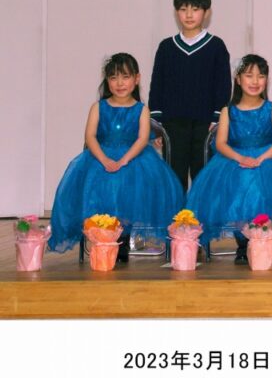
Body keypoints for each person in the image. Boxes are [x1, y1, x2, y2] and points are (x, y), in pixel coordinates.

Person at [185, 55, 272, 264]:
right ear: (238, 79)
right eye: (249, 75)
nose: (255, 81)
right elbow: (221, 143)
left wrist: (261, 159)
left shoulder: (271, 108)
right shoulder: (228, 111)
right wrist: (241, 158)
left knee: (259, 187)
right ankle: (243, 243)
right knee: (239, 185)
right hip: (235, 159)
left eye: (261, 76)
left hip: (268, 159)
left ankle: (261, 238)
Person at [49, 53, 185, 257]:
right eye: (113, 78)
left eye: (125, 77)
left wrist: (124, 160)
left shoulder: (141, 109)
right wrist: (104, 159)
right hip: (101, 158)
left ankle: (123, 238)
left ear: (136, 79)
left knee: (129, 186)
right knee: (104, 186)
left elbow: (142, 139)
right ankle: (104, 235)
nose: (120, 83)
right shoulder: (98, 107)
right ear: (107, 81)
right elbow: (90, 136)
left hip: (133, 158)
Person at [149, 0, 231, 191]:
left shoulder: (216, 46)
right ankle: (177, 212)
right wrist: (156, 126)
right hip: (173, 123)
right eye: (183, 9)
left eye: (195, 9)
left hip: (205, 124)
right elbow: (157, 85)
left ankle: (199, 212)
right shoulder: (166, 47)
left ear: (206, 12)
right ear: (176, 12)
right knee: (174, 176)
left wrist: (217, 119)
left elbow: (223, 85)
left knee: (203, 176)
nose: (189, 14)